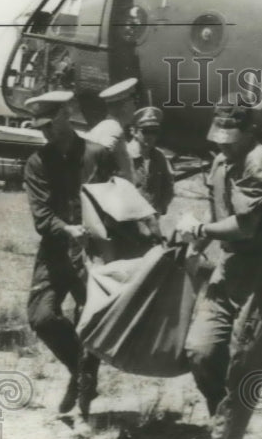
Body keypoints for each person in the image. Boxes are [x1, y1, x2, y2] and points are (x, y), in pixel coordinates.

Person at [176, 104, 262, 439]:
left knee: (242, 366)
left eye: (230, 140)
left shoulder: (259, 163)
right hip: (232, 267)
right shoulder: (221, 163)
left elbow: (245, 226)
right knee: (200, 350)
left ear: (250, 132)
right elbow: (220, 216)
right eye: (219, 139)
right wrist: (195, 246)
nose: (223, 146)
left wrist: (198, 230)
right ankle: (225, 427)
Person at [22, 90, 119, 416]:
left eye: (50, 124)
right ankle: (80, 372)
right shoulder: (37, 163)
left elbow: (115, 201)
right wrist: (68, 229)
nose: (46, 132)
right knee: (42, 316)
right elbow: (42, 215)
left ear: (66, 114)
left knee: (89, 320)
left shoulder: (98, 155)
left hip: (94, 254)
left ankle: (83, 404)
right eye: (41, 127)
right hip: (56, 251)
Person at [88, 77, 137, 184]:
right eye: (134, 102)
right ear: (126, 106)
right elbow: (97, 160)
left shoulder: (106, 126)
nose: (135, 107)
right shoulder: (113, 128)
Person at [129, 106, 174, 215]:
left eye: (154, 132)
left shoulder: (159, 157)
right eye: (146, 131)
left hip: (151, 219)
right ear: (134, 132)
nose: (150, 136)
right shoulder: (125, 156)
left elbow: (168, 185)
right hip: (129, 221)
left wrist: (161, 207)